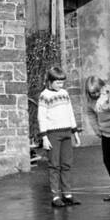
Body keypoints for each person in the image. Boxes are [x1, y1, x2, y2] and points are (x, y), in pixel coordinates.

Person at [37, 66, 81, 208]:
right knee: (54, 165)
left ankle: (67, 194)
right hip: (52, 134)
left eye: (62, 82)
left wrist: (75, 132)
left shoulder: (64, 93)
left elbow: (70, 113)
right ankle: (56, 196)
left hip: (66, 132)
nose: (60, 85)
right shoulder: (44, 96)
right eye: (57, 82)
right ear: (49, 81)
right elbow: (41, 117)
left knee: (66, 164)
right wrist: (44, 137)